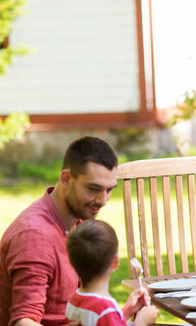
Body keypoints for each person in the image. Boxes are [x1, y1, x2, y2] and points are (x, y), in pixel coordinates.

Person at [0, 136, 119, 326]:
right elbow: (24, 321)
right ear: (66, 179)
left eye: (109, 190)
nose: (103, 200)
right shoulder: (34, 235)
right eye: (93, 188)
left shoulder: (77, 220)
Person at [65, 220, 158, 325]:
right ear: (115, 262)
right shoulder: (104, 309)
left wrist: (126, 312)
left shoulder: (74, 300)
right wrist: (142, 322)